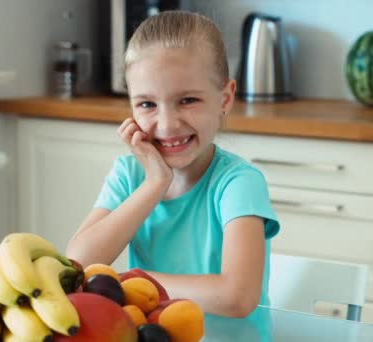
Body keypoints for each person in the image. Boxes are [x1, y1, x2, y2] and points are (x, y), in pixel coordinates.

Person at [66, 10, 279, 318]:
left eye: (187, 100)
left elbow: (237, 297)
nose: (166, 125)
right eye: (147, 104)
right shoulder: (129, 176)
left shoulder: (239, 182)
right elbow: (77, 264)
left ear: (225, 99)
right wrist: (154, 184)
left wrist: (129, 283)